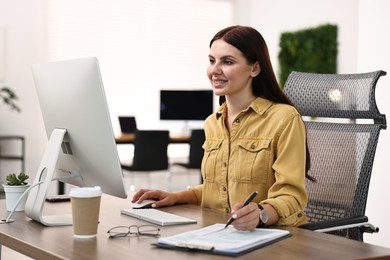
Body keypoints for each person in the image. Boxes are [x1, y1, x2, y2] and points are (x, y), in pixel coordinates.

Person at [132, 25, 310, 231]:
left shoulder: (284, 119)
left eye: (227, 62)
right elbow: (214, 189)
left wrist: (260, 214)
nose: (214, 70)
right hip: (220, 232)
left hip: (273, 238)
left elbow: (292, 197)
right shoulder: (212, 122)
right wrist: (175, 197)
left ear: (255, 68)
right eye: (211, 61)